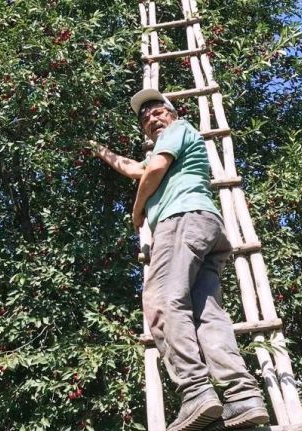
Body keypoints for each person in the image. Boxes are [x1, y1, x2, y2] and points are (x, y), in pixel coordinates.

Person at [91, 89, 269, 431]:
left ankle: (196, 391)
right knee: (207, 314)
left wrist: (137, 209)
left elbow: (154, 168)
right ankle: (243, 396)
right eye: (145, 118)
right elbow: (136, 169)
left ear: (171, 114)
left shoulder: (179, 129)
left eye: (158, 112)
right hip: (204, 227)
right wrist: (97, 150)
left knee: (161, 302)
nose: (152, 119)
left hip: (181, 222)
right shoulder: (169, 142)